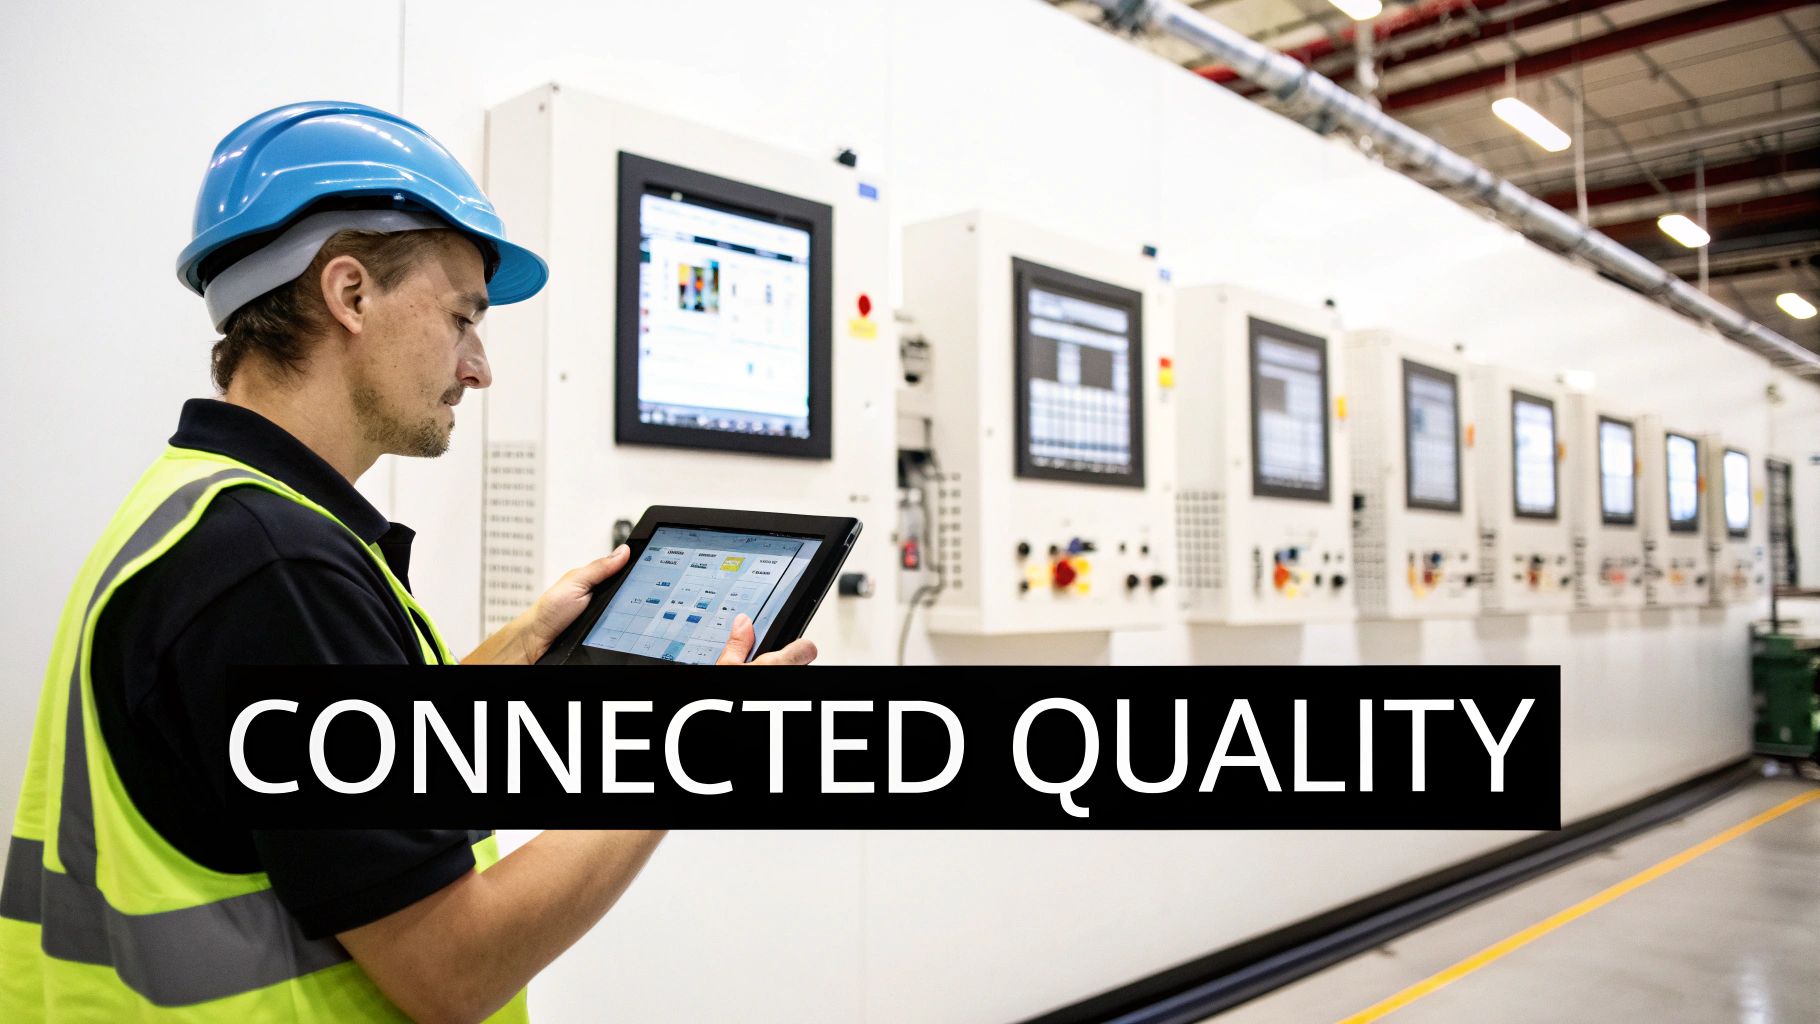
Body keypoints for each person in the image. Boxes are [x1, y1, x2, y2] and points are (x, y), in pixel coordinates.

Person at [0, 100, 815, 1024]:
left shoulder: (207, 507)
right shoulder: (273, 568)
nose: (479, 367)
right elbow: (451, 968)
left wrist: (517, 650)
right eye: (465, 316)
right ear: (350, 295)